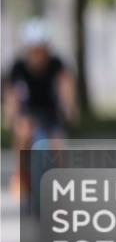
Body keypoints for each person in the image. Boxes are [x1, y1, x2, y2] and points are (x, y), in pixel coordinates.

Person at [3, 18, 79, 192]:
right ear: (27, 50)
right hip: (27, 113)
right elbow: (11, 95)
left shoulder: (57, 64)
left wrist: (69, 108)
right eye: (33, 51)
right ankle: (21, 172)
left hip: (51, 114)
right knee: (23, 132)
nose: (37, 55)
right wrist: (10, 115)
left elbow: (66, 86)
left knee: (58, 145)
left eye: (41, 50)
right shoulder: (18, 68)